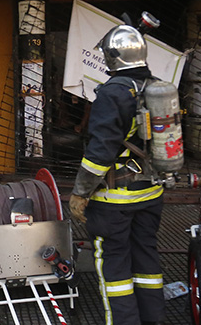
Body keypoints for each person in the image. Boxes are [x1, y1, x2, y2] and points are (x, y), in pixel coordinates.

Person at [67, 24, 165, 325]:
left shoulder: (113, 93)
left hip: (114, 201)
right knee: (146, 260)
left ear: (113, 57)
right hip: (152, 193)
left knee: (115, 268)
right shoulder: (157, 87)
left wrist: (80, 193)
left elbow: (99, 153)